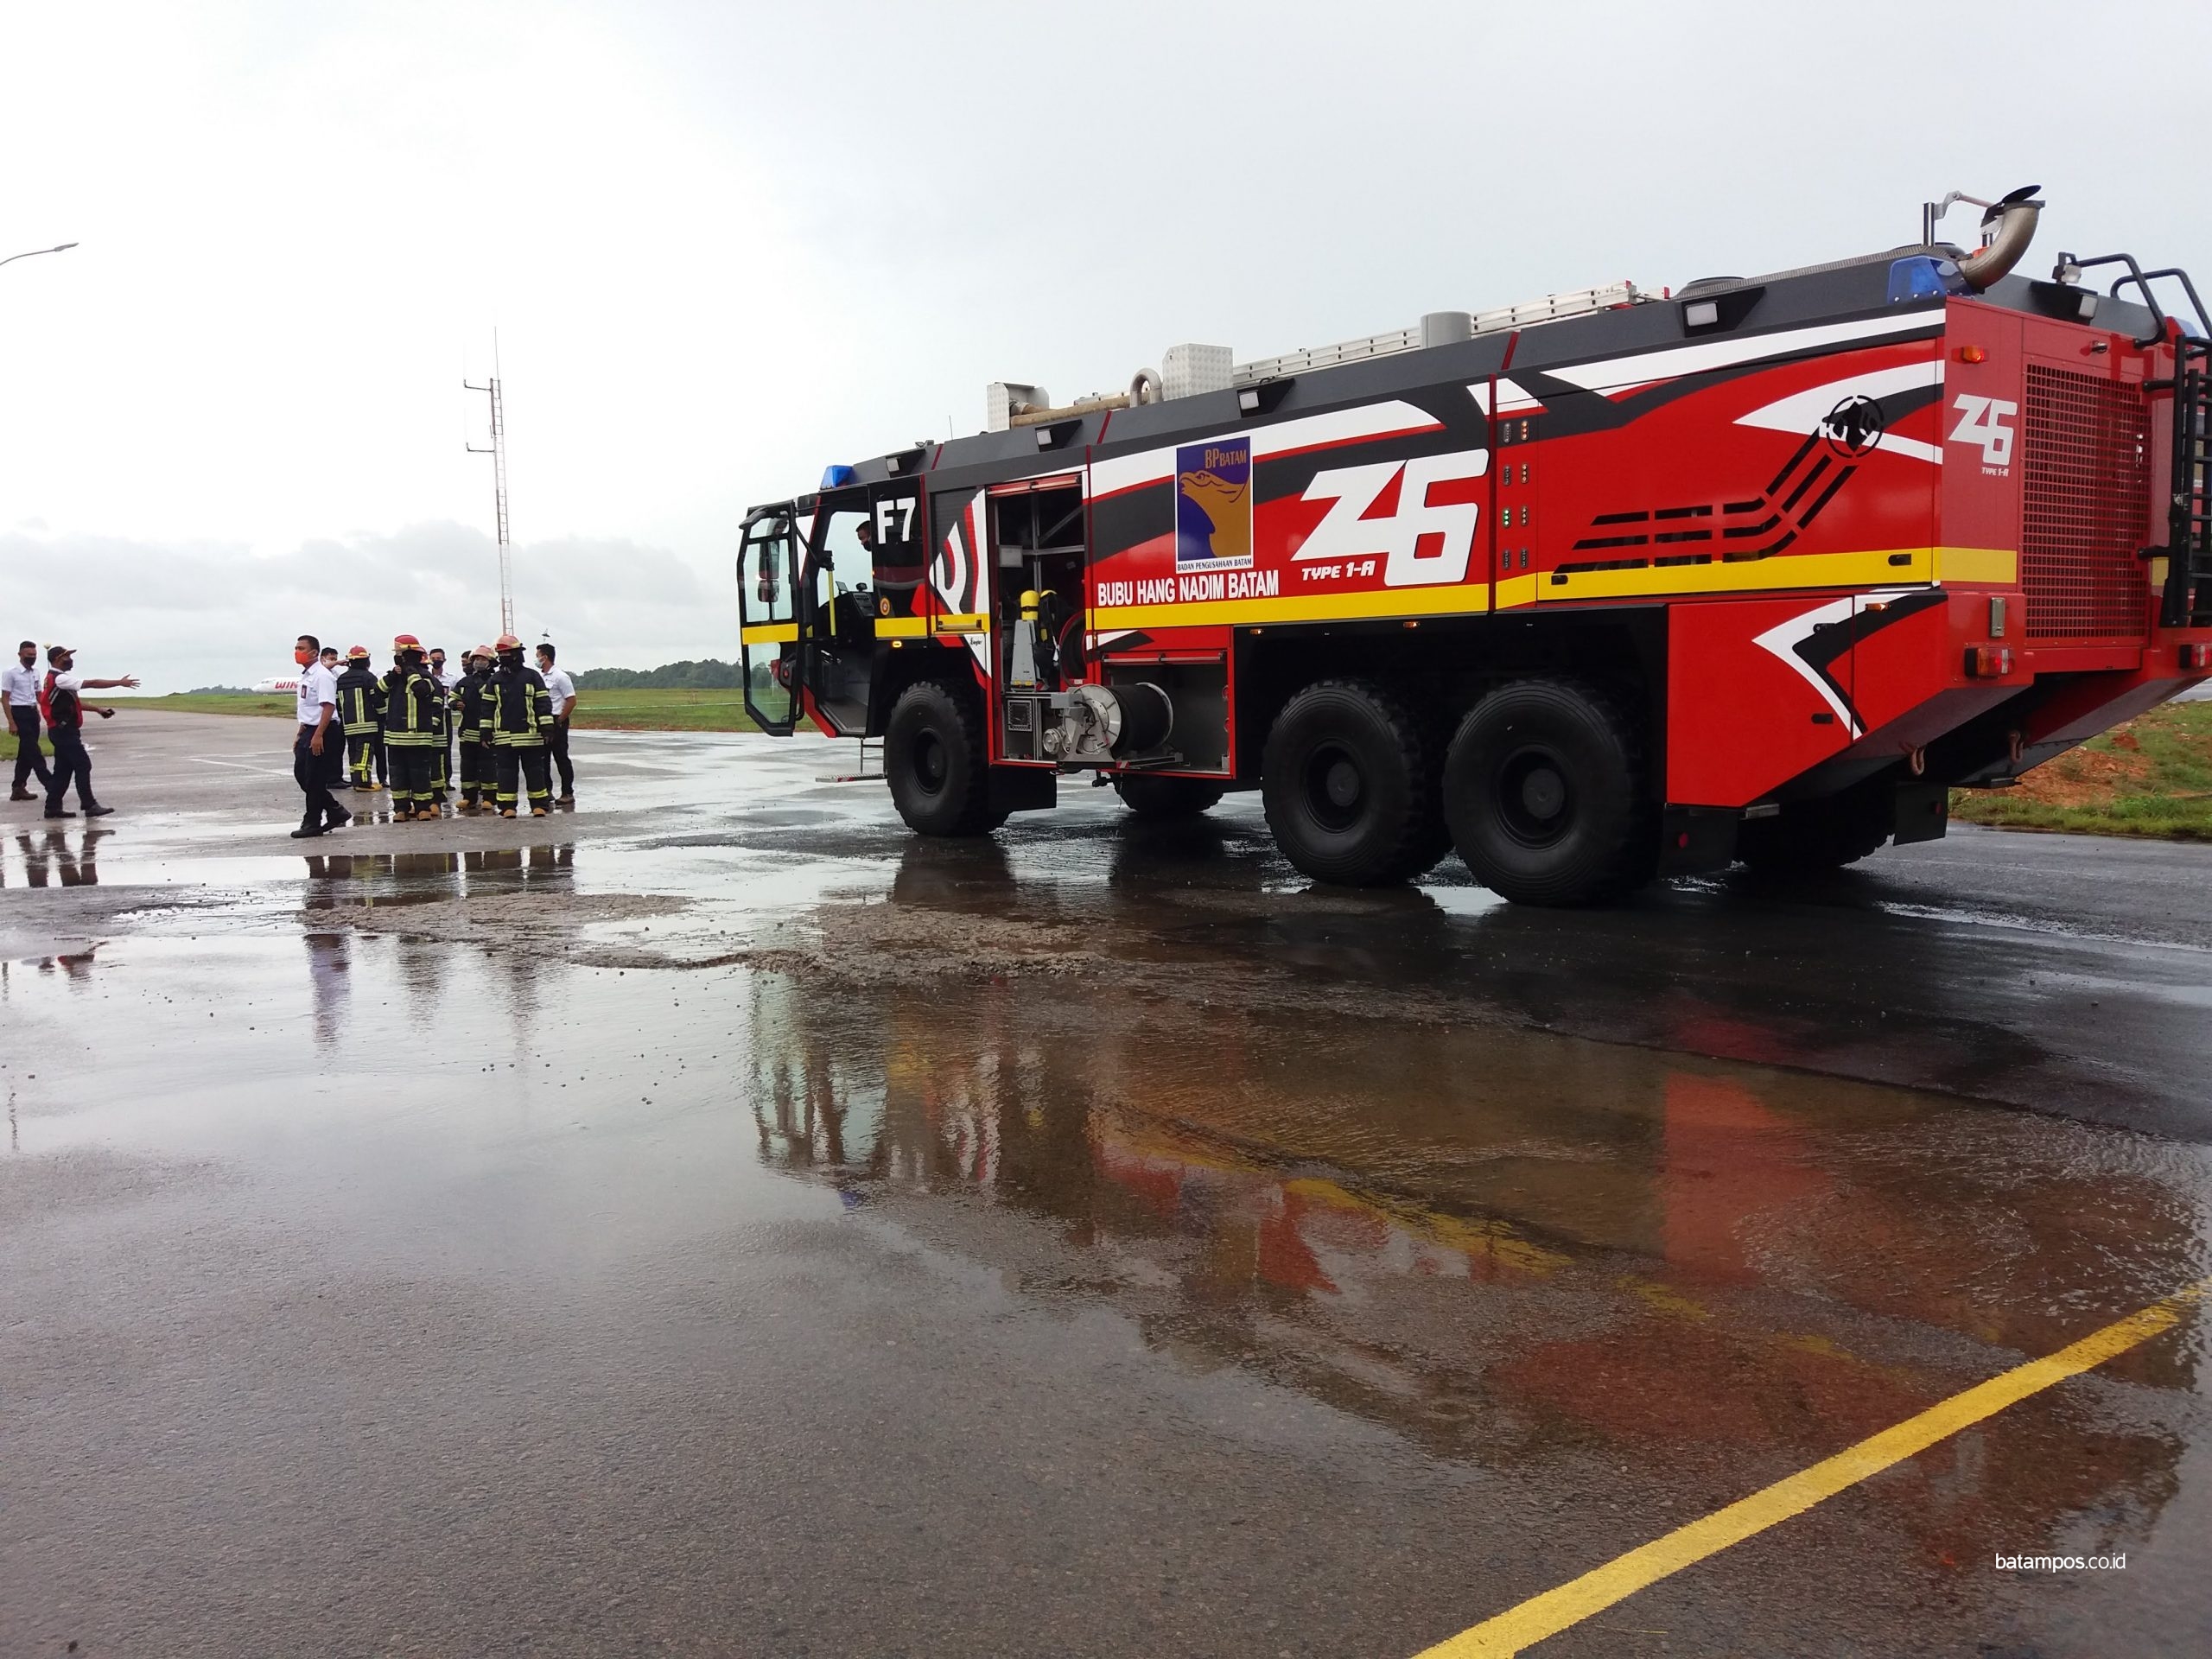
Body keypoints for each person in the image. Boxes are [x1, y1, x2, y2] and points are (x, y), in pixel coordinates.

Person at [41, 645, 137, 820]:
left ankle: (52, 808)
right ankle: (89, 804)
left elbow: (74, 703)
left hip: (61, 730)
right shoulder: (60, 679)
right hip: (64, 731)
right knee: (83, 764)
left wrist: (97, 709)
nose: (70, 660)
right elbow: (91, 683)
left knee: (63, 770)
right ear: (56, 660)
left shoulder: (56, 679)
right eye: (66, 657)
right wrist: (119, 682)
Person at [289, 633, 350, 839]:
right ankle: (334, 810)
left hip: (322, 731)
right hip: (308, 730)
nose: (297, 652)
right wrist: (301, 733)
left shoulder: (321, 675)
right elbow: (308, 709)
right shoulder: (306, 675)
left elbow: (328, 706)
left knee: (315, 779)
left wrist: (318, 735)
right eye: (296, 648)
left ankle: (312, 822)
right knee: (302, 775)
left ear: (314, 652)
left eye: (301, 648)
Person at [486, 633, 555, 817]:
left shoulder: (532, 677)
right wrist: (485, 731)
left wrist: (547, 727)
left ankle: (538, 805)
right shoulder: (495, 680)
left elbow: (543, 703)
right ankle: (508, 807)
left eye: (507, 653)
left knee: (535, 772)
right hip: (504, 737)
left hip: (530, 736)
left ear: (516, 653)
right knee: (506, 774)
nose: (503, 658)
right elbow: (487, 708)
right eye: (501, 654)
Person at [380, 635, 446, 820]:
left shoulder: (427, 678)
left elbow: (421, 691)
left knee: (420, 775)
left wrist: (410, 671)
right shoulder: (394, 678)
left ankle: (422, 807)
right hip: (395, 737)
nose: (397, 657)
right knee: (398, 775)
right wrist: (393, 674)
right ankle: (401, 809)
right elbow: (377, 693)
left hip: (419, 737)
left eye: (400, 654)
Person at [7, 639, 55, 800]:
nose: (32, 657)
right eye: (29, 655)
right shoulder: (11, 673)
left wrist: (45, 710)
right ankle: (50, 783)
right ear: (20, 654)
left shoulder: (35, 672)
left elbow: (38, 694)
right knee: (33, 751)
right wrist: (11, 722)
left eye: (34, 655)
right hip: (19, 712)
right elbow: (5, 698)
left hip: (32, 712)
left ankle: (18, 787)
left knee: (25, 751)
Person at [334, 645, 385, 791]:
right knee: (364, 754)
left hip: (348, 725)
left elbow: (338, 703)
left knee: (353, 754)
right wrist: (383, 717)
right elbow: (377, 700)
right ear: (366, 661)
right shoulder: (368, 677)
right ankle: (364, 782)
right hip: (367, 724)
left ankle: (355, 781)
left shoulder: (341, 680)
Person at [453, 646, 497, 813]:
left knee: (488, 766)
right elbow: (453, 696)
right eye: (476, 659)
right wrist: (454, 704)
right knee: (467, 767)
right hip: (467, 732)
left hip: (487, 732)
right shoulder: (464, 682)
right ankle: (468, 797)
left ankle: (489, 798)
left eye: (483, 659)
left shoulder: (494, 680)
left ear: (490, 662)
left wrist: (481, 680)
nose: (479, 662)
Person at [535, 642, 577, 804]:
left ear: (545, 657)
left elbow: (571, 700)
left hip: (556, 720)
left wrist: (560, 720)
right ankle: (547, 791)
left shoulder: (560, 676)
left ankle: (567, 792)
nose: (536, 659)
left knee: (561, 758)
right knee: (542, 758)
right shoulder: (539, 677)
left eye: (537, 655)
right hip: (543, 721)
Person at [427, 646, 454, 810]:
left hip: (445, 713)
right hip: (428, 714)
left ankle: (447, 780)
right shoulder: (425, 677)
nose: (436, 660)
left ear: (444, 659)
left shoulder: (451, 679)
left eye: (439, 657)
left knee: (445, 748)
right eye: (433, 657)